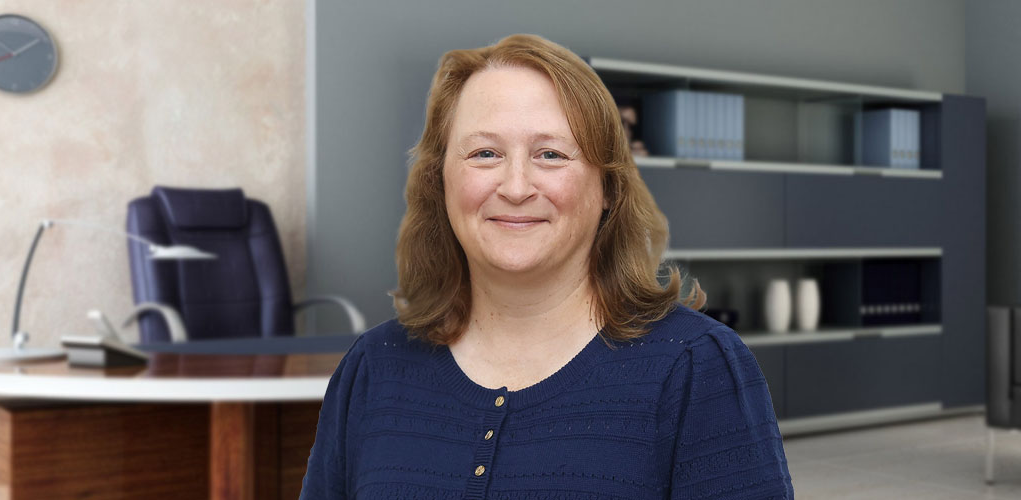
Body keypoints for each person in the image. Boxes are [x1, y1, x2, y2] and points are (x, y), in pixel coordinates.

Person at [301, 33, 794, 499]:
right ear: (440, 182)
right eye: (485, 153)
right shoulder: (373, 366)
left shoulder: (696, 368)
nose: (516, 187)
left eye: (552, 154)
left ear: (607, 190)